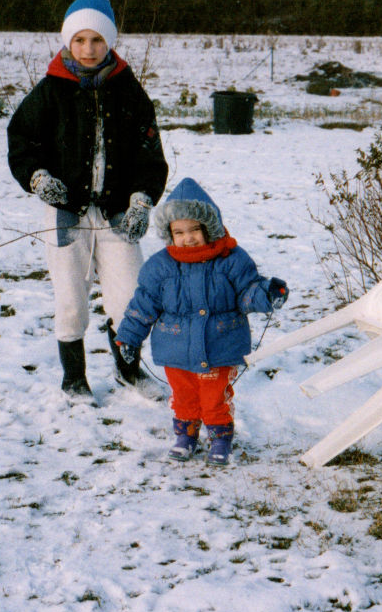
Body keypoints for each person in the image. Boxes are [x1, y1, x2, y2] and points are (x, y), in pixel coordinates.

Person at [8, 0, 168, 406]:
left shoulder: (129, 90)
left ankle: (128, 372)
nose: (88, 48)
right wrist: (38, 178)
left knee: (129, 298)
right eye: (79, 39)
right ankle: (74, 380)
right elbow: (20, 139)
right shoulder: (50, 89)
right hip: (67, 215)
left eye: (97, 39)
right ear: (68, 40)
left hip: (117, 213)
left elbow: (150, 154)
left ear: (109, 41)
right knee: (71, 299)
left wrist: (142, 200)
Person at [113, 178, 288, 466]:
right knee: (183, 397)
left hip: (219, 346)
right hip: (176, 349)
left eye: (195, 229)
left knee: (214, 398)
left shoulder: (231, 259)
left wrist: (267, 294)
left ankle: (220, 438)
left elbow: (247, 292)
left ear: (210, 228)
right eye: (179, 231)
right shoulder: (160, 267)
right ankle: (186, 435)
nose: (188, 238)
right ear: (169, 233)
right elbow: (143, 304)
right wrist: (129, 337)